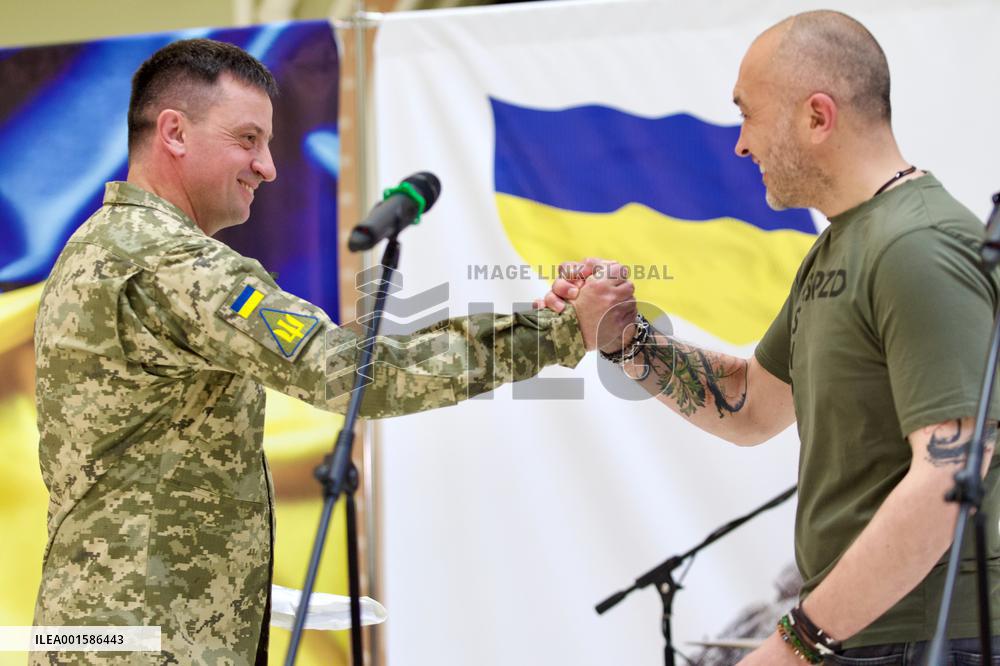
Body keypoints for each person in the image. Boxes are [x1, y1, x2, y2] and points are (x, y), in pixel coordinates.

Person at [31, 39, 635, 664]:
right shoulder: (173, 262)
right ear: (175, 132)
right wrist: (560, 330)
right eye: (247, 139)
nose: (267, 167)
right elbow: (357, 376)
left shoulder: (98, 244)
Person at [545, 10, 1000, 665]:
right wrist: (622, 339)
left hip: (928, 639)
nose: (740, 144)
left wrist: (799, 643)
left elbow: (948, 473)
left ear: (817, 116)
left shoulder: (917, 244)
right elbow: (750, 405)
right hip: (874, 636)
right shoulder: (847, 243)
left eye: (747, 114)